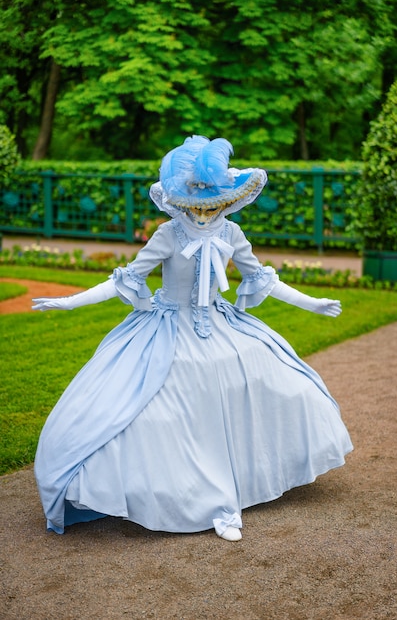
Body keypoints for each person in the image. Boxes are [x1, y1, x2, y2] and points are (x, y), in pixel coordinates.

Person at [33, 136, 353, 541]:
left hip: (219, 323)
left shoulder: (233, 233)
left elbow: (261, 280)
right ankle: (193, 494)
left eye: (212, 205)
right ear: (180, 201)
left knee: (273, 377)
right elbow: (127, 279)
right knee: (155, 403)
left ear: (227, 200)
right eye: (194, 205)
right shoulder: (168, 234)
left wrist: (312, 303)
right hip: (169, 328)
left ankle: (239, 483)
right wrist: (70, 303)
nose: (203, 213)